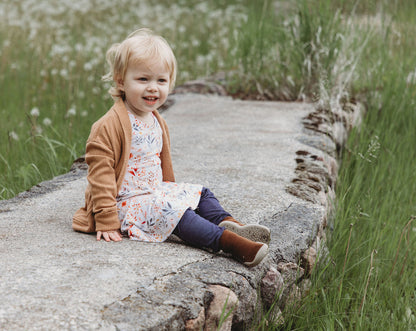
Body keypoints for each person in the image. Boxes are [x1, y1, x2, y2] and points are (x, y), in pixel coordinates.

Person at [72, 28, 271, 267]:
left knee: (201, 193)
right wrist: (106, 218)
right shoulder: (108, 125)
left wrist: (173, 192)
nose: (153, 87)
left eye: (161, 80)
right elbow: (100, 175)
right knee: (179, 216)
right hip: (127, 203)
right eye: (143, 79)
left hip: (155, 191)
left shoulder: (156, 119)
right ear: (121, 81)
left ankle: (231, 224)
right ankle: (232, 244)